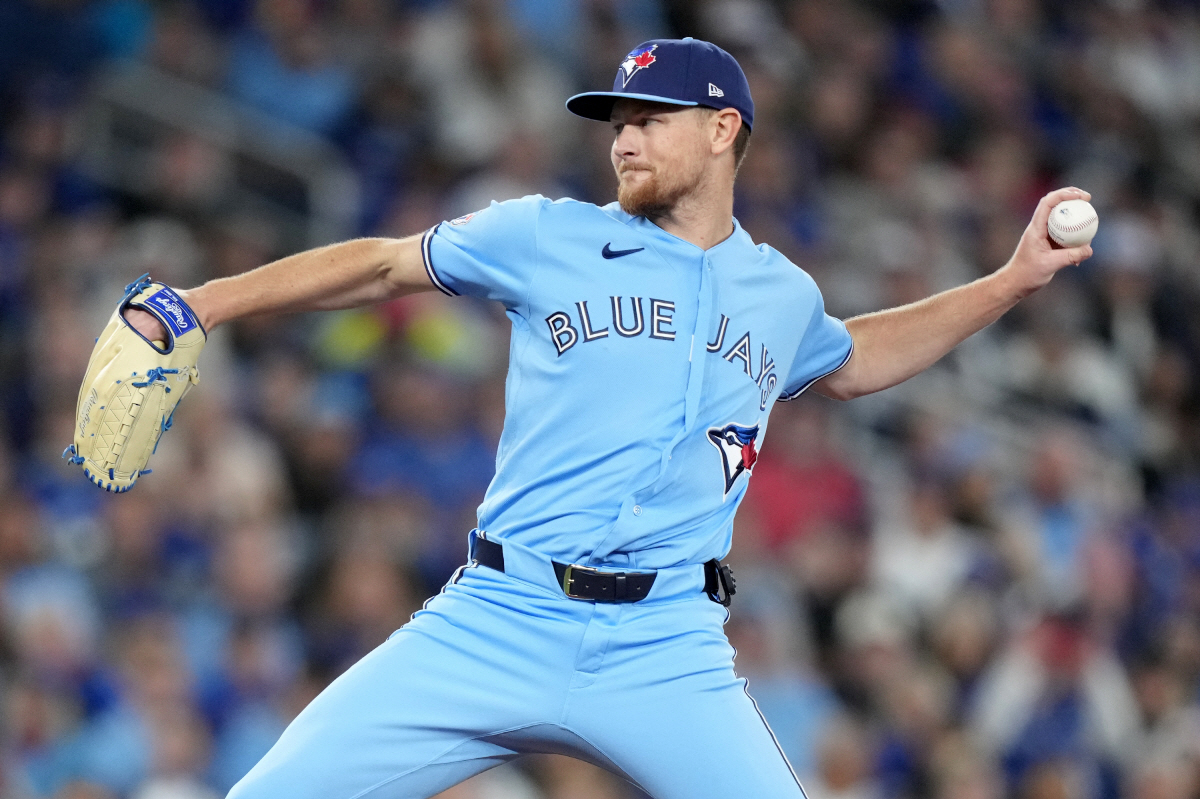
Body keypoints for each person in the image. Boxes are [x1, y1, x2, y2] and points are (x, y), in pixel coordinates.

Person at [123, 37, 1093, 799]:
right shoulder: (546, 234)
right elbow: (383, 263)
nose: (623, 137)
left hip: (664, 643)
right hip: (496, 619)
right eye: (615, 120)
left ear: (722, 131)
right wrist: (205, 302)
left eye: (650, 117)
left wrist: (1011, 283)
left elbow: (855, 358)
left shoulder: (778, 293)